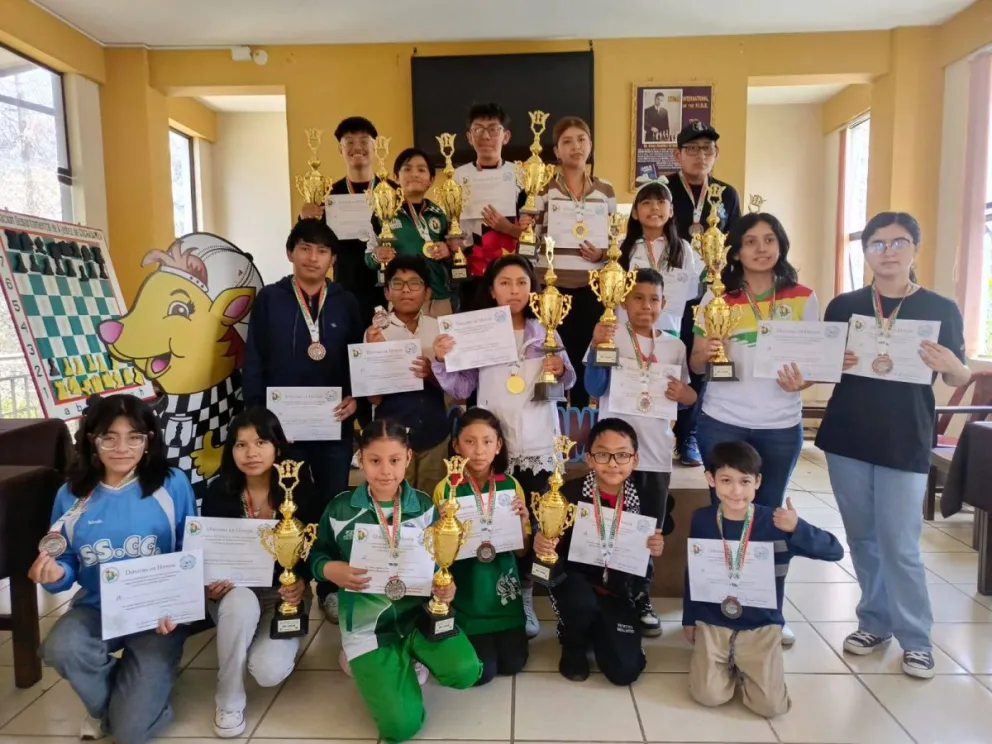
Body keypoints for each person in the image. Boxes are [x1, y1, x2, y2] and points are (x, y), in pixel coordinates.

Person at [815, 212, 970, 679]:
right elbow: (823, 367)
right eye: (878, 243)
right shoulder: (845, 305)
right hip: (848, 435)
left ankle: (917, 639)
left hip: (905, 436)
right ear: (866, 252)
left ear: (914, 249)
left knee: (900, 542)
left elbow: (959, 375)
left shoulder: (941, 308)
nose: (888, 251)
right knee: (862, 537)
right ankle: (875, 622)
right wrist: (831, 358)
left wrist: (950, 364)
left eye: (898, 242)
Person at [28, 394, 197, 744]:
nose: (122, 447)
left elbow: (190, 551)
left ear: (149, 440)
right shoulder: (70, 494)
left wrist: (179, 608)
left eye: (134, 436)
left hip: (157, 616)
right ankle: (126, 700)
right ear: (92, 440)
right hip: (99, 608)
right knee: (60, 646)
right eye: (109, 436)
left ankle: (134, 701)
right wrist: (57, 575)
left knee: (130, 735)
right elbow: (68, 559)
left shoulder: (171, 484)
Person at [308, 420, 482, 743]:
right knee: (400, 728)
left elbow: (438, 564)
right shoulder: (340, 509)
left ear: (409, 457)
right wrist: (332, 570)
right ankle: (369, 660)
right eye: (375, 461)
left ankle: (410, 655)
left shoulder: (426, 507)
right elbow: (315, 556)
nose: (385, 471)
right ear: (360, 459)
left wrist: (446, 586)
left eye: (394, 460)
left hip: (419, 617)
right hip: (368, 627)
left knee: (467, 670)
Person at [432, 254, 577, 637]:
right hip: (489, 448)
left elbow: (565, 381)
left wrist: (562, 370)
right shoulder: (477, 331)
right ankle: (487, 597)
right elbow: (462, 388)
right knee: (493, 522)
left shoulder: (545, 328)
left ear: (533, 289)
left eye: (522, 283)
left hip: (538, 443)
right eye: (505, 283)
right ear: (492, 289)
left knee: (531, 524)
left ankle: (525, 594)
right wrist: (442, 359)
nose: (514, 290)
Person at [689, 213, 816, 647]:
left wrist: (804, 381)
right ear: (735, 251)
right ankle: (720, 606)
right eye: (749, 241)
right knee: (725, 517)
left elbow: (814, 363)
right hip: (723, 420)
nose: (760, 248)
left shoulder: (803, 297)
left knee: (771, 519)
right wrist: (707, 351)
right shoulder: (716, 297)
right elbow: (694, 365)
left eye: (769, 239)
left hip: (780, 425)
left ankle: (768, 611)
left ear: (780, 244)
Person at [242, 217, 363, 623]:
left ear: (332, 258)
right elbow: (254, 360)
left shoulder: (345, 301)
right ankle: (285, 584)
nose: (313, 257)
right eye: (305, 248)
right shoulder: (271, 300)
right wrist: (258, 421)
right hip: (281, 427)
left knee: (331, 503)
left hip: (333, 421)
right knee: (284, 503)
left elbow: (357, 359)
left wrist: (356, 399)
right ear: (291, 252)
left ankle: (329, 586)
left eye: (322, 250)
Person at [684, 441, 843, 717]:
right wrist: (689, 618)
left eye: (745, 481)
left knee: (770, 707)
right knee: (708, 696)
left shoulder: (777, 523)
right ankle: (729, 662)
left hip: (761, 624)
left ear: (758, 482)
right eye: (726, 480)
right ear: (711, 480)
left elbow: (835, 551)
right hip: (713, 620)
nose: (736, 491)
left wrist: (798, 528)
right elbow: (694, 573)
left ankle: (748, 665)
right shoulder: (702, 520)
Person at [584, 268, 697, 636]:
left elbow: (689, 398)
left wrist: (685, 396)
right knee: (607, 528)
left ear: (664, 304)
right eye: (638, 297)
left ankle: (641, 594)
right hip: (612, 458)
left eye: (653, 299)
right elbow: (593, 385)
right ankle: (605, 593)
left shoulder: (675, 346)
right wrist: (597, 342)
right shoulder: (609, 335)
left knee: (648, 530)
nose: (646, 306)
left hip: (656, 455)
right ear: (623, 301)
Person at [200, 407, 321, 737]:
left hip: (283, 596)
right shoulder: (218, 493)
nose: (251, 453)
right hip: (233, 593)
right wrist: (208, 583)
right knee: (240, 606)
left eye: (261, 442)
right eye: (241, 445)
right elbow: (205, 549)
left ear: (278, 447)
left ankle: (262, 636)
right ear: (231, 450)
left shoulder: (300, 491)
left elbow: (317, 547)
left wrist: (303, 580)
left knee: (267, 671)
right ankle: (228, 699)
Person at [534, 418, 664, 685]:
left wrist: (656, 547)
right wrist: (542, 541)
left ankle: (600, 626)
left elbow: (652, 542)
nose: (613, 463)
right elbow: (552, 542)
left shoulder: (646, 496)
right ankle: (573, 641)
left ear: (635, 459)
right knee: (580, 604)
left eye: (622, 454)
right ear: (590, 459)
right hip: (576, 582)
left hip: (620, 587)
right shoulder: (568, 493)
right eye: (603, 454)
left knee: (624, 672)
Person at [433, 408, 531, 685]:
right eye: (470, 441)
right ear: (456, 445)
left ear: (498, 445)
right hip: (467, 594)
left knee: (512, 664)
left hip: (502, 595)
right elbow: (439, 557)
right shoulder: (446, 489)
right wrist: (440, 528)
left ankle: (508, 623)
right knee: (483, 672)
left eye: (487, 441)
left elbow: (522, 551)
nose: (479, 451)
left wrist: (523, 522)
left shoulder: (511, 486)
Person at [668, 121, 742, 467]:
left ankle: (691, 435)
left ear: (716, 155)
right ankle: (666, 429)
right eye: (693, 149)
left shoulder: (726, 194)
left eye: (707, 149)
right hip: (673, 295)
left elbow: (737, 242)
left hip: (713, 295)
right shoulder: (663, 189)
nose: (701, 155)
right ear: (678, 154)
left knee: (705, 361)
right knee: (676, 359)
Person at [534, 116, 617, 408]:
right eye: (567, 141)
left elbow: (615, 241)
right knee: (553, 354)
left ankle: (580, 418)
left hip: (591, 288)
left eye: (581, 139)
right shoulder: (543, 189)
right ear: (556, 151)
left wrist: (602, 255)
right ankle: (554, 419)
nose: (575, 147)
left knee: (583, 353)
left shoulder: (605, 190)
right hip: (552, 288)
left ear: (590, 145)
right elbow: (530, 239)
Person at [363, 255, 449, 493]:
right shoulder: (375, 333)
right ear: (387, 292)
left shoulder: (440, 330)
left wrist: (432, 374)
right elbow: (373, 398)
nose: (406, 290)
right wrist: (375, 357)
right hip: (391, 437)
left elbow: (458, 390)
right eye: (398, 284)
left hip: (435, 433)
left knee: (434, 504)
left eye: (415, 283)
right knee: (394, 501)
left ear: (428, 292)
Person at [299, 116, 384, 326]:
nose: (358, 147)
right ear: (340, 149)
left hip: (389, 286)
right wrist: (303, 218)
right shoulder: (328, 195)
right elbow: (307, 241)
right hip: (347, 285)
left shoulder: (390, 191)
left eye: (364, 141)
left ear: (375, 147)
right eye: (349, 142)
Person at [452, 103, 528, 310]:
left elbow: (532, 233)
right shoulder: (458, 176)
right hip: (472, 270)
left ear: (506, 136)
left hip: (510, 271)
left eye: (493, 129)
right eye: (478, 129)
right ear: (469, 136)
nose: (486, 136)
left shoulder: (521, 176)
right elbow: (452, 223)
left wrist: (508, 228)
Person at [366, 147, 457, 317]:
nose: (414, 174)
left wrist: (447, 251)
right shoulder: (381, 213)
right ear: (395, 177)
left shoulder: (441, 213)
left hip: (438, 297)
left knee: (442, 343)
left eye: (421, 170)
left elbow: (455, 256)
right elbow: (368, 257)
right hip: (401, 298)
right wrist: (377, 255)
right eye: (407, 169)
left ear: (431, 179)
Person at [618, 178, 703, 337]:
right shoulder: (622, 246)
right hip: (628, 327)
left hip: (668, 327)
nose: (655, 207)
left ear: (671, 211)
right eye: (646, 202)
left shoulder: (683, 248)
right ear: (635, 213)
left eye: (661, 201)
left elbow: (691, 291)